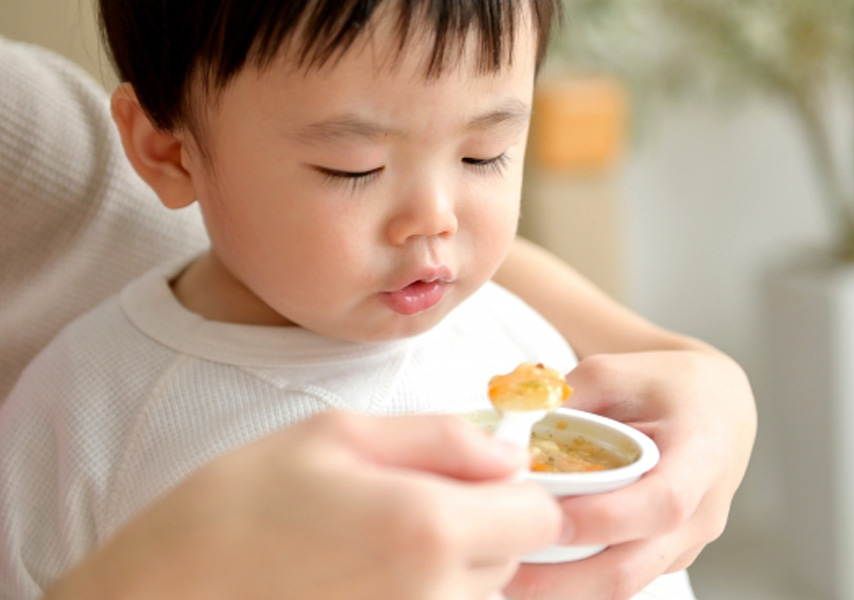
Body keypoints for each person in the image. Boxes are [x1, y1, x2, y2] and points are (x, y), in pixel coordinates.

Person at [0, 4, 756, 600]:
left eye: (484, 154)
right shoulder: (91, 413)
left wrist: (720, 384)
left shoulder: (515, 310)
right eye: (352, 167)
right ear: (168, 151)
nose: (436, 218)